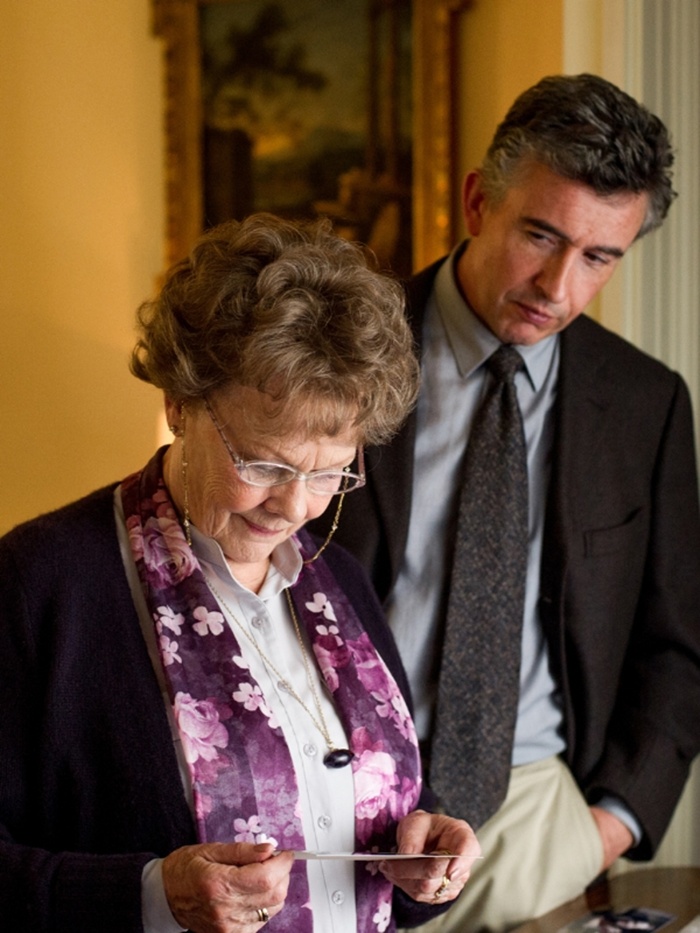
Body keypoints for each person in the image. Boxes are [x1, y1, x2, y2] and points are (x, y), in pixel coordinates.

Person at [0, 214, 482, 933]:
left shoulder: (340, 580)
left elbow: (363, 828)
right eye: (261, 463)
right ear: (179, 403)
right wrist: (150, 896)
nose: (292, 506)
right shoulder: (42, 582)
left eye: (328, 474)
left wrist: (420, 859)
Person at [309, 73, 700, 931]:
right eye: (541, 234)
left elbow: (678, 641)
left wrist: (610, 824)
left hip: (537, 821)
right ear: (478, 200)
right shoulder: (338, 353)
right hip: (340, 814)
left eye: (600, 257)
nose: (558, 285)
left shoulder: (647, 403)